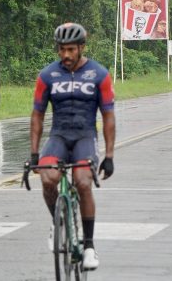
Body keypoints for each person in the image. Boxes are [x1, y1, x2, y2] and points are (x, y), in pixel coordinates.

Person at [30, 23, 115, 270]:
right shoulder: (47, 76)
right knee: (47, 179)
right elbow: (37, 115)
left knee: (82, 181)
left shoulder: (99, 74)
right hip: (58, 136)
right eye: (61, 50)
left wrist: (109, 155)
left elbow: (108, 116)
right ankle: (58, 222)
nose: (65, 55)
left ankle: (89, 246)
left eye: (70, 49)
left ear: (81, 47)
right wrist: (34, 152)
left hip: (85, 137)